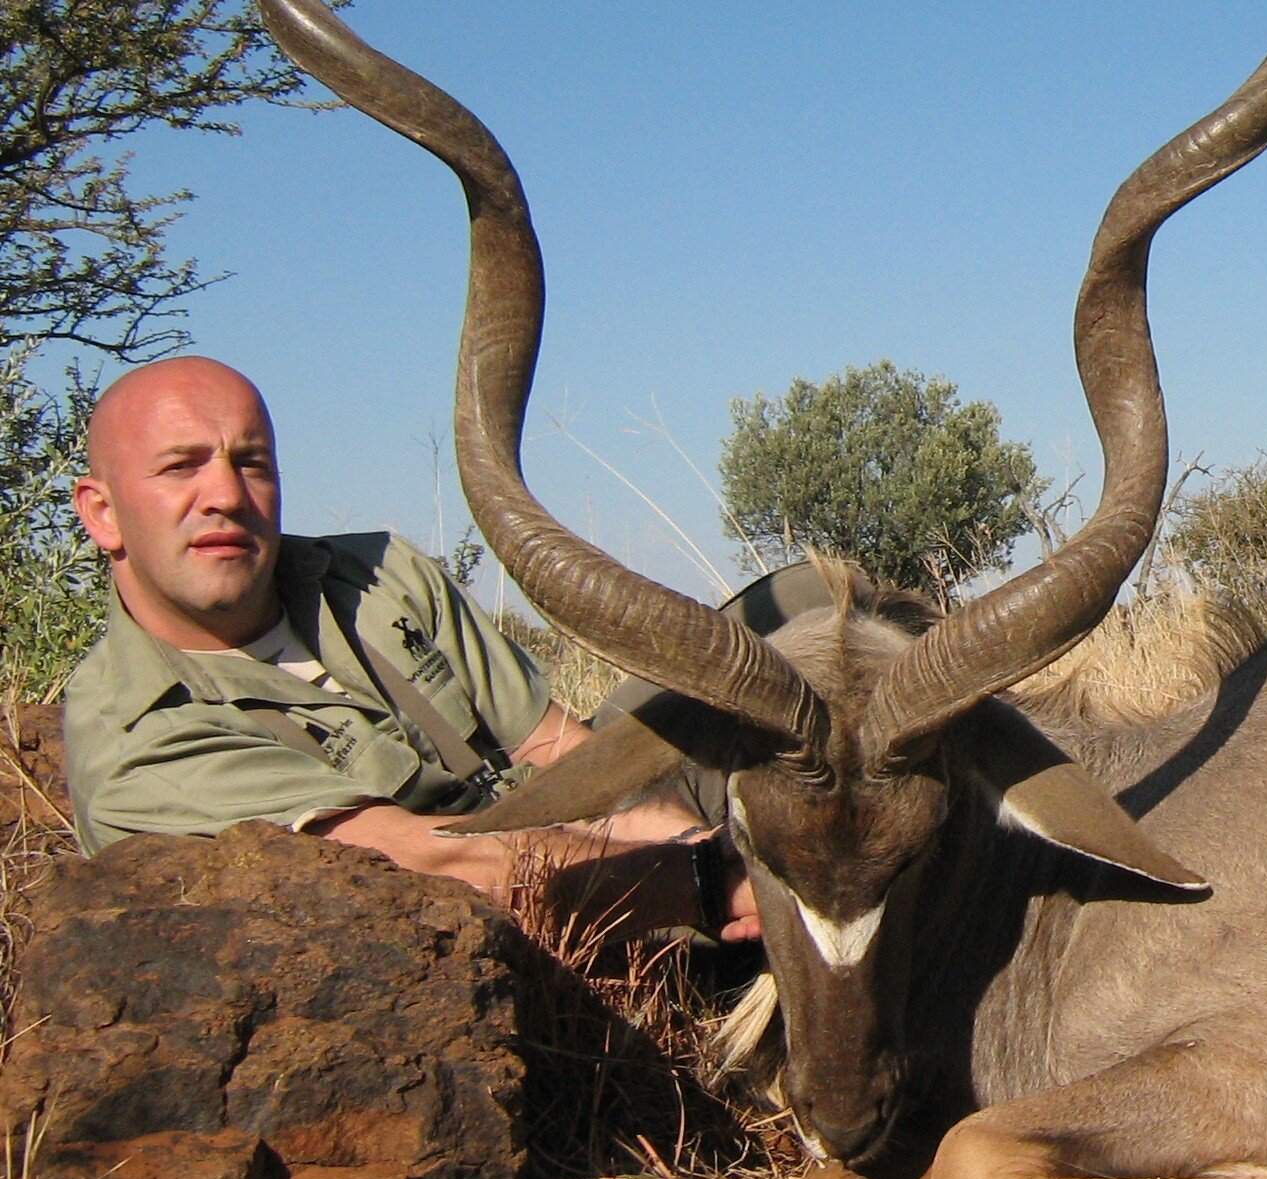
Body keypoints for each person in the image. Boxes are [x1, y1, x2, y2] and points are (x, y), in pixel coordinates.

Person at [62, 355, 758, 942]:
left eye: (252, 463)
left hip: (616, 854)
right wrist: (699, 885)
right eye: (181, 468)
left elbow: (555, 752)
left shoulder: (381, 572)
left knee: (797, 614)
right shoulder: (134, 733)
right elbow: (412, 865)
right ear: (102, 513)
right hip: (484, 937)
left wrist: (700, 850)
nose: (226, 494)